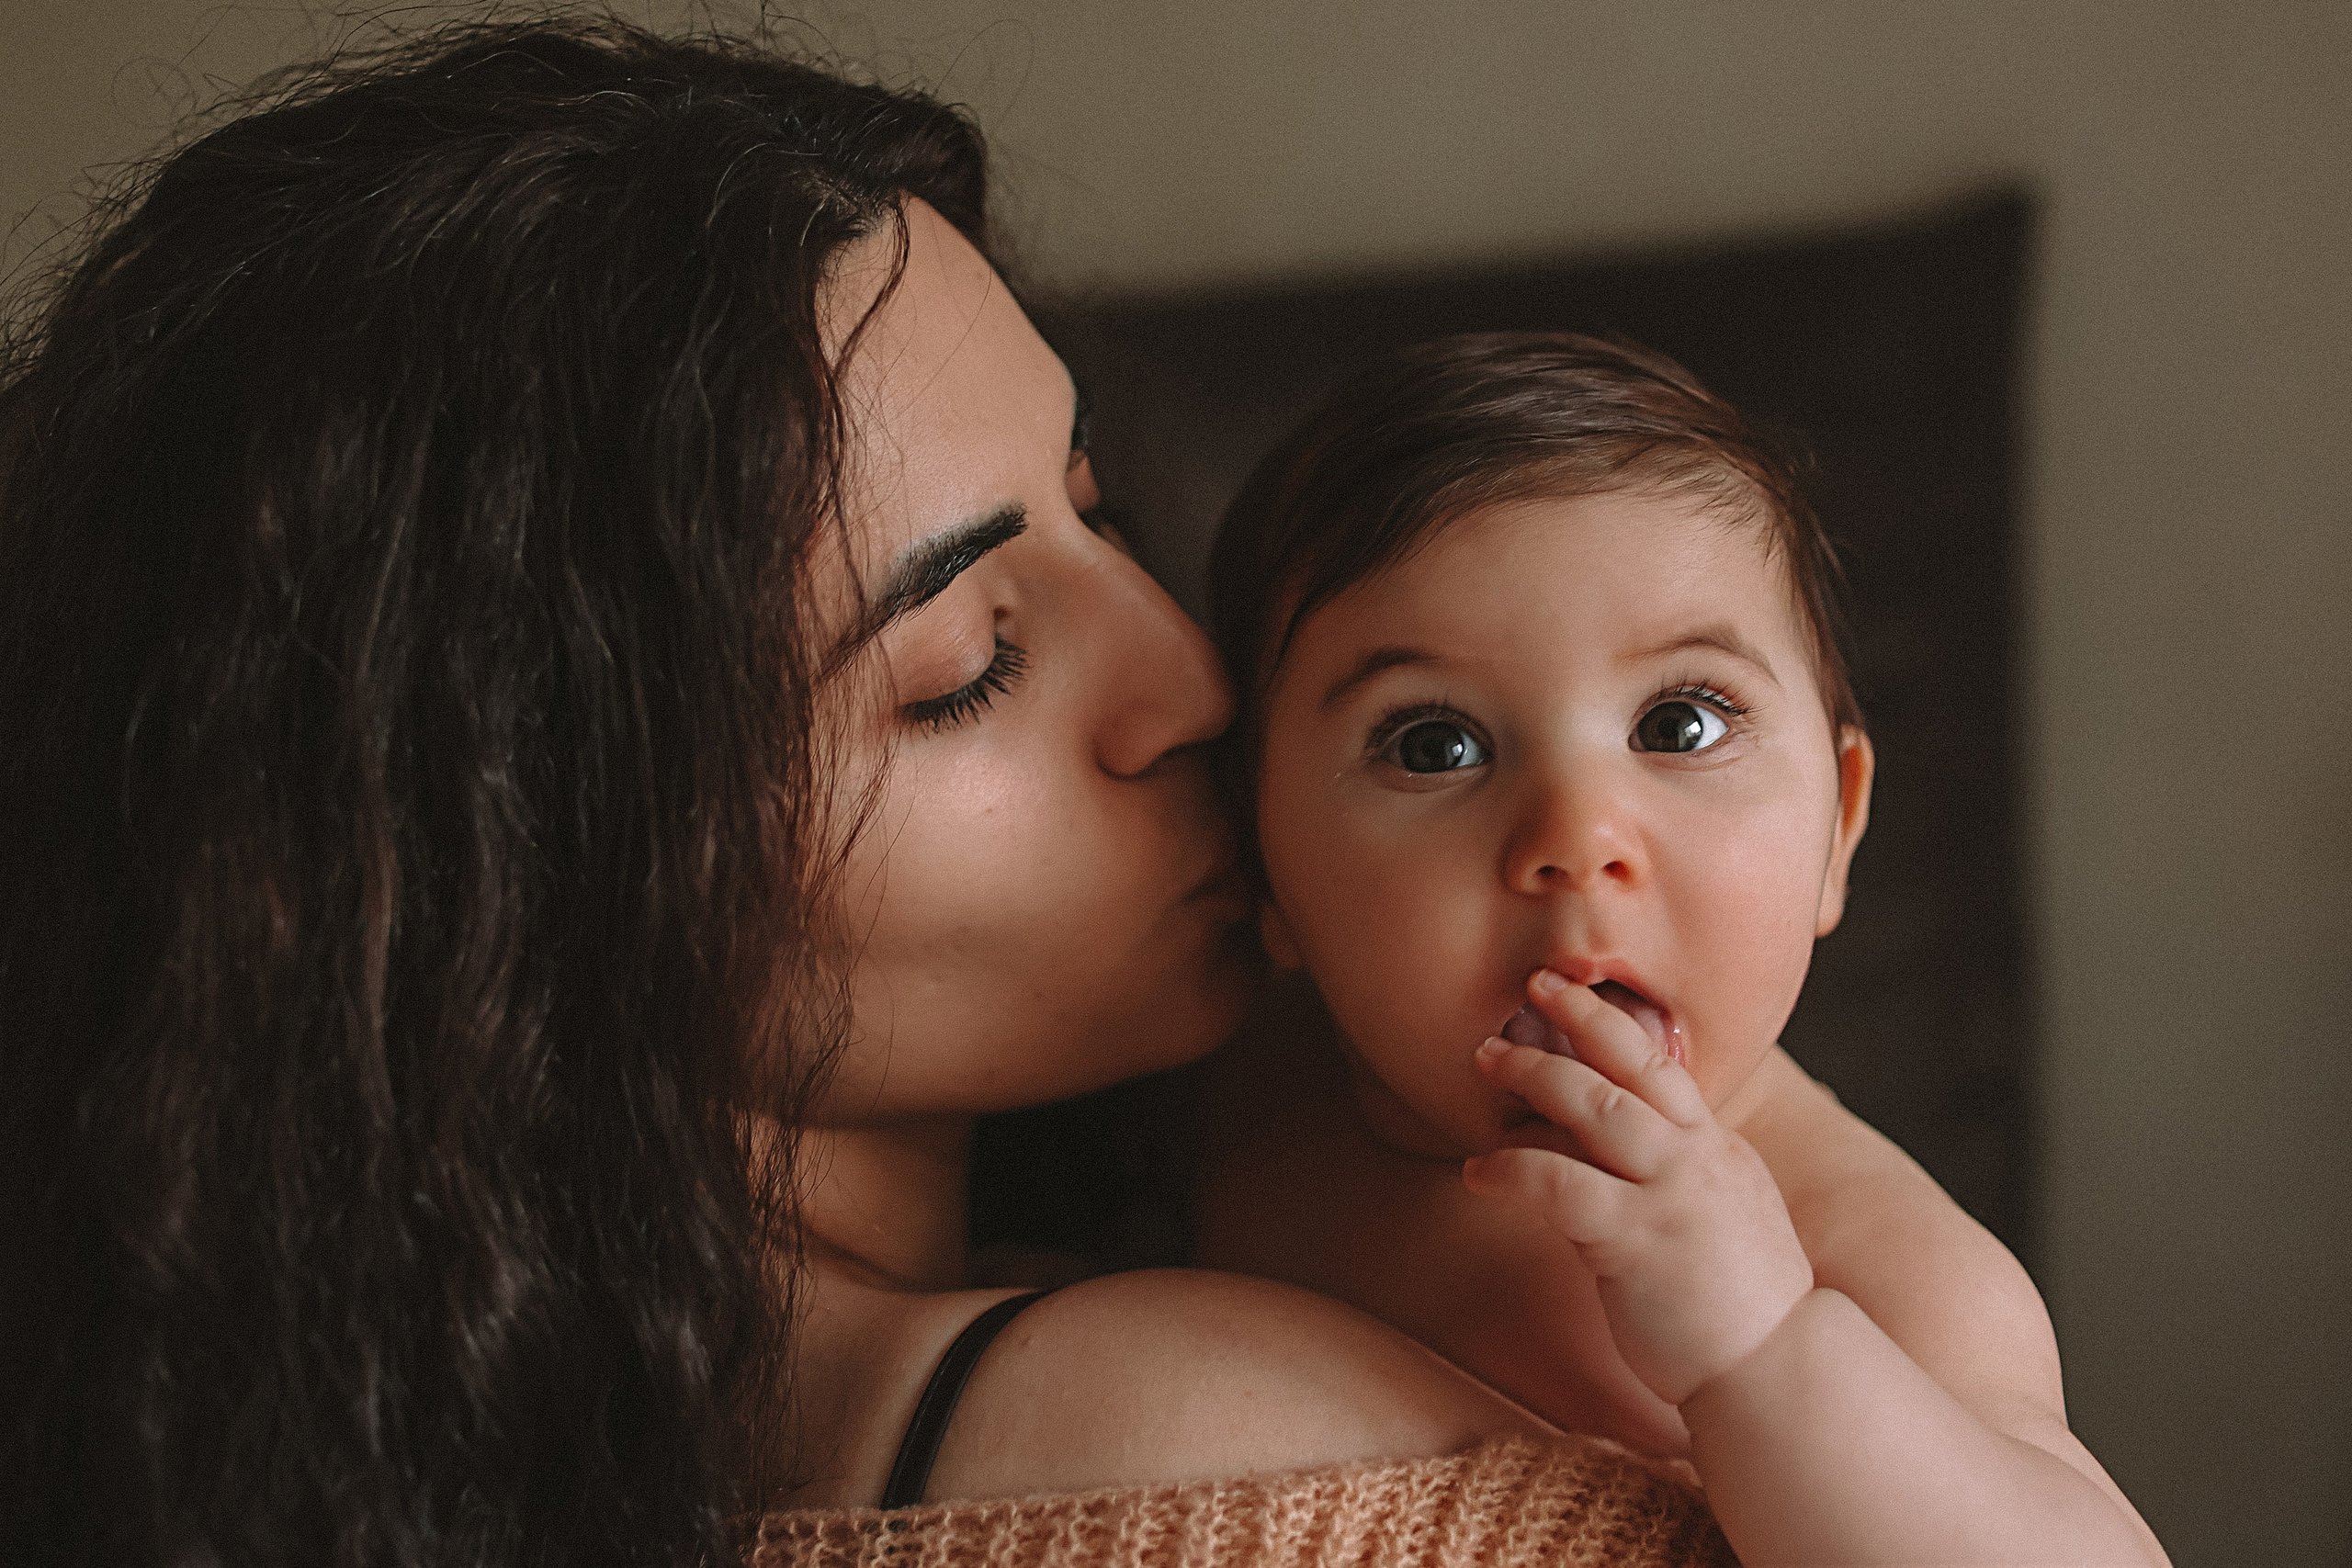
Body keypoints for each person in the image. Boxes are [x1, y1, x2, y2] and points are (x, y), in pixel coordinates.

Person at [0, 21, 1731, 1568]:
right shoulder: (1194, 1450)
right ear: (523, 873)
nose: (1194, 682)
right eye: (968, 666)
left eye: (1097, 509)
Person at [1193, 332, 2172, 1565]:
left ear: (1837, 833)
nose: (1575, 838)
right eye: (1434, 744)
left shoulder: (1864, 1266)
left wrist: (1754, 1355)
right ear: (1265, 868)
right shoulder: (1242, 1084)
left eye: (1680, 721)